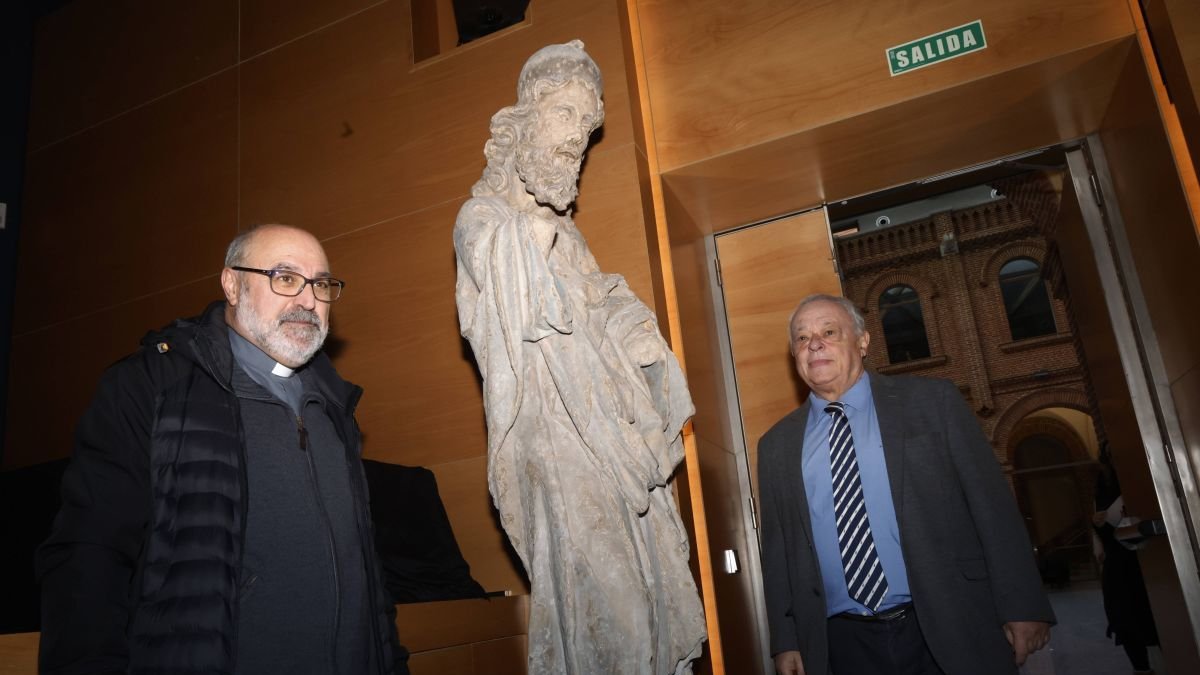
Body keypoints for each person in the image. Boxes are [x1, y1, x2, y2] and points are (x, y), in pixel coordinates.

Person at [36, 224, 408, 675]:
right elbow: (89, 556)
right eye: (285, 278)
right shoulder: (152, 387)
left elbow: (367, 573)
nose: (308, 300)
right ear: (232, 284)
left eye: (321, 285)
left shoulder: (336, 408)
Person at [453, 41, 706, 675]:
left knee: (642, 598)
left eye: (587, 129)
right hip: (556, 442)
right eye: (565, 116)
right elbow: (507, 286)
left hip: (609, 437)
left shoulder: (567, 234)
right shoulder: (483, 217)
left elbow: (596, 298)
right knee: (608, 603)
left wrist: (632, 330)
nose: (577, 142)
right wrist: (533, 237)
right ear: (526, 120)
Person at [758, 293, 1054, 675]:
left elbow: (992, 507)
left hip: (949, 620)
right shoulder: (777, 446)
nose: (814, 343)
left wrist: (1023, 604)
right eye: (801, 338)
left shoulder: (933, 403)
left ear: (863, 341)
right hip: (842, 643)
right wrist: (786, 640)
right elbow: (779, 553)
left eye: (829, 331)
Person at [1093, 453, 1158, 675]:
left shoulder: (1141, 480)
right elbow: (1099, 522)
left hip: (1147, 560)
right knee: (1125, 618)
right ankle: (1141, 669)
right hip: (1119, 564)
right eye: (1109, 456)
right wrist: (1099, 522)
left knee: (1155, 613)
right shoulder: (1102, 485)